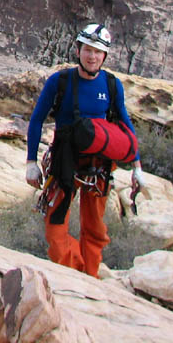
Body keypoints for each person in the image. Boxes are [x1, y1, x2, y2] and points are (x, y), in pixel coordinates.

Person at [24, 23, 145, 277]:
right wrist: (30, 162)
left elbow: (124, 122)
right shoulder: (60, 81)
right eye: (88, 50)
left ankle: (88, 277)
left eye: (98, 52)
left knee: (95, 229)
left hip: (98, 166)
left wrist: (137, 167)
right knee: (55, 231)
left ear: (105, 56)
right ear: (78, 50)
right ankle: (71, 270)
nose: (92, 56)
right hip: (64, 161)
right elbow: (36, 119)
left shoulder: (112, 85)